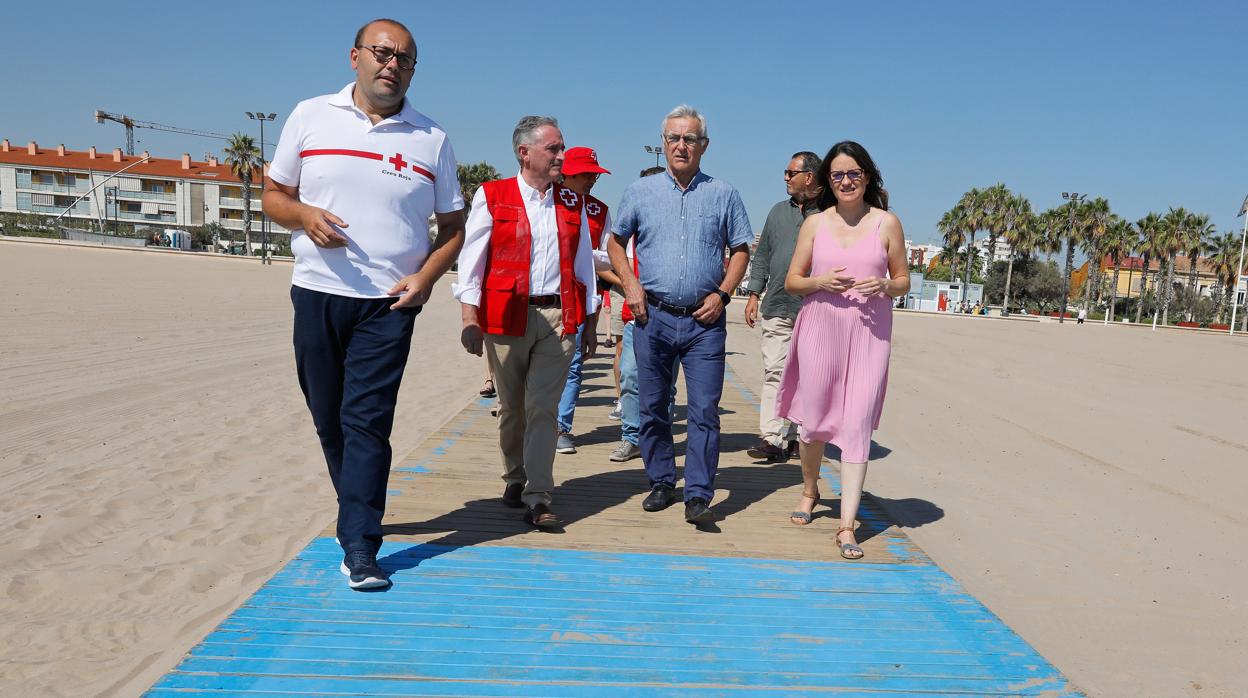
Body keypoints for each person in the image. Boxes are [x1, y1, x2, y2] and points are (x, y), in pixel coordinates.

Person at [262, 18, 465, 589]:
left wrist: (424, 279)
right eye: (381, 52)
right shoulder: (309, 116)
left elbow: (454, 226)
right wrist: (304, 216)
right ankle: (355, 504)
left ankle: (360, 545)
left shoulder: (432, 139)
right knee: (330, 420)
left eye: (404, 58)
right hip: (317, 294)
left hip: (387, 305)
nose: (391, 64)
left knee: (367, 424)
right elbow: (274, 195)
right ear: (354, 56)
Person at [453, 116, 600, 529]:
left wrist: (589, 323)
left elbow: (584, 265)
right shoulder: (493, 195)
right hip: (505, 315)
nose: (561, 156)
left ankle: (538, 494)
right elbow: (473, 259)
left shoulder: (573, 203)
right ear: (525, 153)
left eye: (561, 148)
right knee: (513, 408)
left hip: (559, 315)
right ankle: (514, 477)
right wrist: (469, 316)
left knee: (542, 408)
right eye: (553, 149)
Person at [608, 105, 752, 524]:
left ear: (704, 146)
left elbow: (741, 249)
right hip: (652, 316)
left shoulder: (724, 194)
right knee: (653, 406)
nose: (681, 146)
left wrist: (724, 295)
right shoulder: (640, 192)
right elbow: (617, 242)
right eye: (674, 138)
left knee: (705, 409)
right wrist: (630, 285)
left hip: (705, 322)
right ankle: (660, 481)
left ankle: (699, 492)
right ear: (664, 143)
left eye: (690, 139)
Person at [775, 140, 910, 559]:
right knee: (813, 422)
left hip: (870, 333)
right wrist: (820, 281)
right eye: (838, 175)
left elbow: (903, 281)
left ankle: (848, 524)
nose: (846, 181)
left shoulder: (887, 223)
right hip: (820, 327)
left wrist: (886, 286)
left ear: (867, 177)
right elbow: (792, 281)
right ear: (828, 181)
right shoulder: (814, 224)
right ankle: (811, 490)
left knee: (857, 424)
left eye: (854, 173)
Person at [743, 151, 822, 463]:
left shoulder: (829, 214)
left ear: (810, 176)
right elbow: (762, 254)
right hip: (777, 304)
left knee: (808, 378)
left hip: (815, 310)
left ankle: (795, 437)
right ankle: (772, 438)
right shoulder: (777, 212)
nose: (786, 178)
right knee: (775, 371)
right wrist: (753, 293)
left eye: (791, 173)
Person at [553, 147, 613, 454]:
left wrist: (580, 254)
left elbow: (608, 257)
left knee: (573, 366)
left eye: (594, 175)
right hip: (543, 299)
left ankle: (562, 427)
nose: (591, 180)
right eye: (584, 174)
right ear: (566, 173)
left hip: (579, 302)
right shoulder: (544, 199)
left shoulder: (600, 211)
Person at [606, 165, 666, 463]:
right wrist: (628, 285)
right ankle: (631, 436)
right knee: (630, 375)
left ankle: (658, 439)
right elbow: (609, 261)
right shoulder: (626, 232)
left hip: (671, 318)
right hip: (635, 318)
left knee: (663, 384)